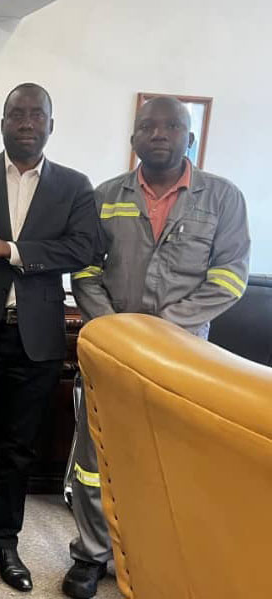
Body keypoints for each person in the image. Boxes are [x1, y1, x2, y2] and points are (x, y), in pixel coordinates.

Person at [62, 96, 250, 599]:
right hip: (110, 355)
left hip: (185, 360)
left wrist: (160, 333)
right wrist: (120, 333)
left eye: (172, 126)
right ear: (134, 138)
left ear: (189, 137)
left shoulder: (223, 198)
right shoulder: (103, 196)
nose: (160, 133)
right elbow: (84, 269)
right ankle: (91, 554)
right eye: (148, 125)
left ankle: (158, 557)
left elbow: (231, 279)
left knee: (170, 461)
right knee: (94, 459)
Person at [0, 83, 97, 592]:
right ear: (2, 122)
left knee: (21, 449)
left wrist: (8, 248)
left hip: (38, 337)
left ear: (51, 125)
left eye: (37, 115)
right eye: (16, 114)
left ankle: (4, 544)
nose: (26, 122)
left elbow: (81, 249)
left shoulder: (74, 186)